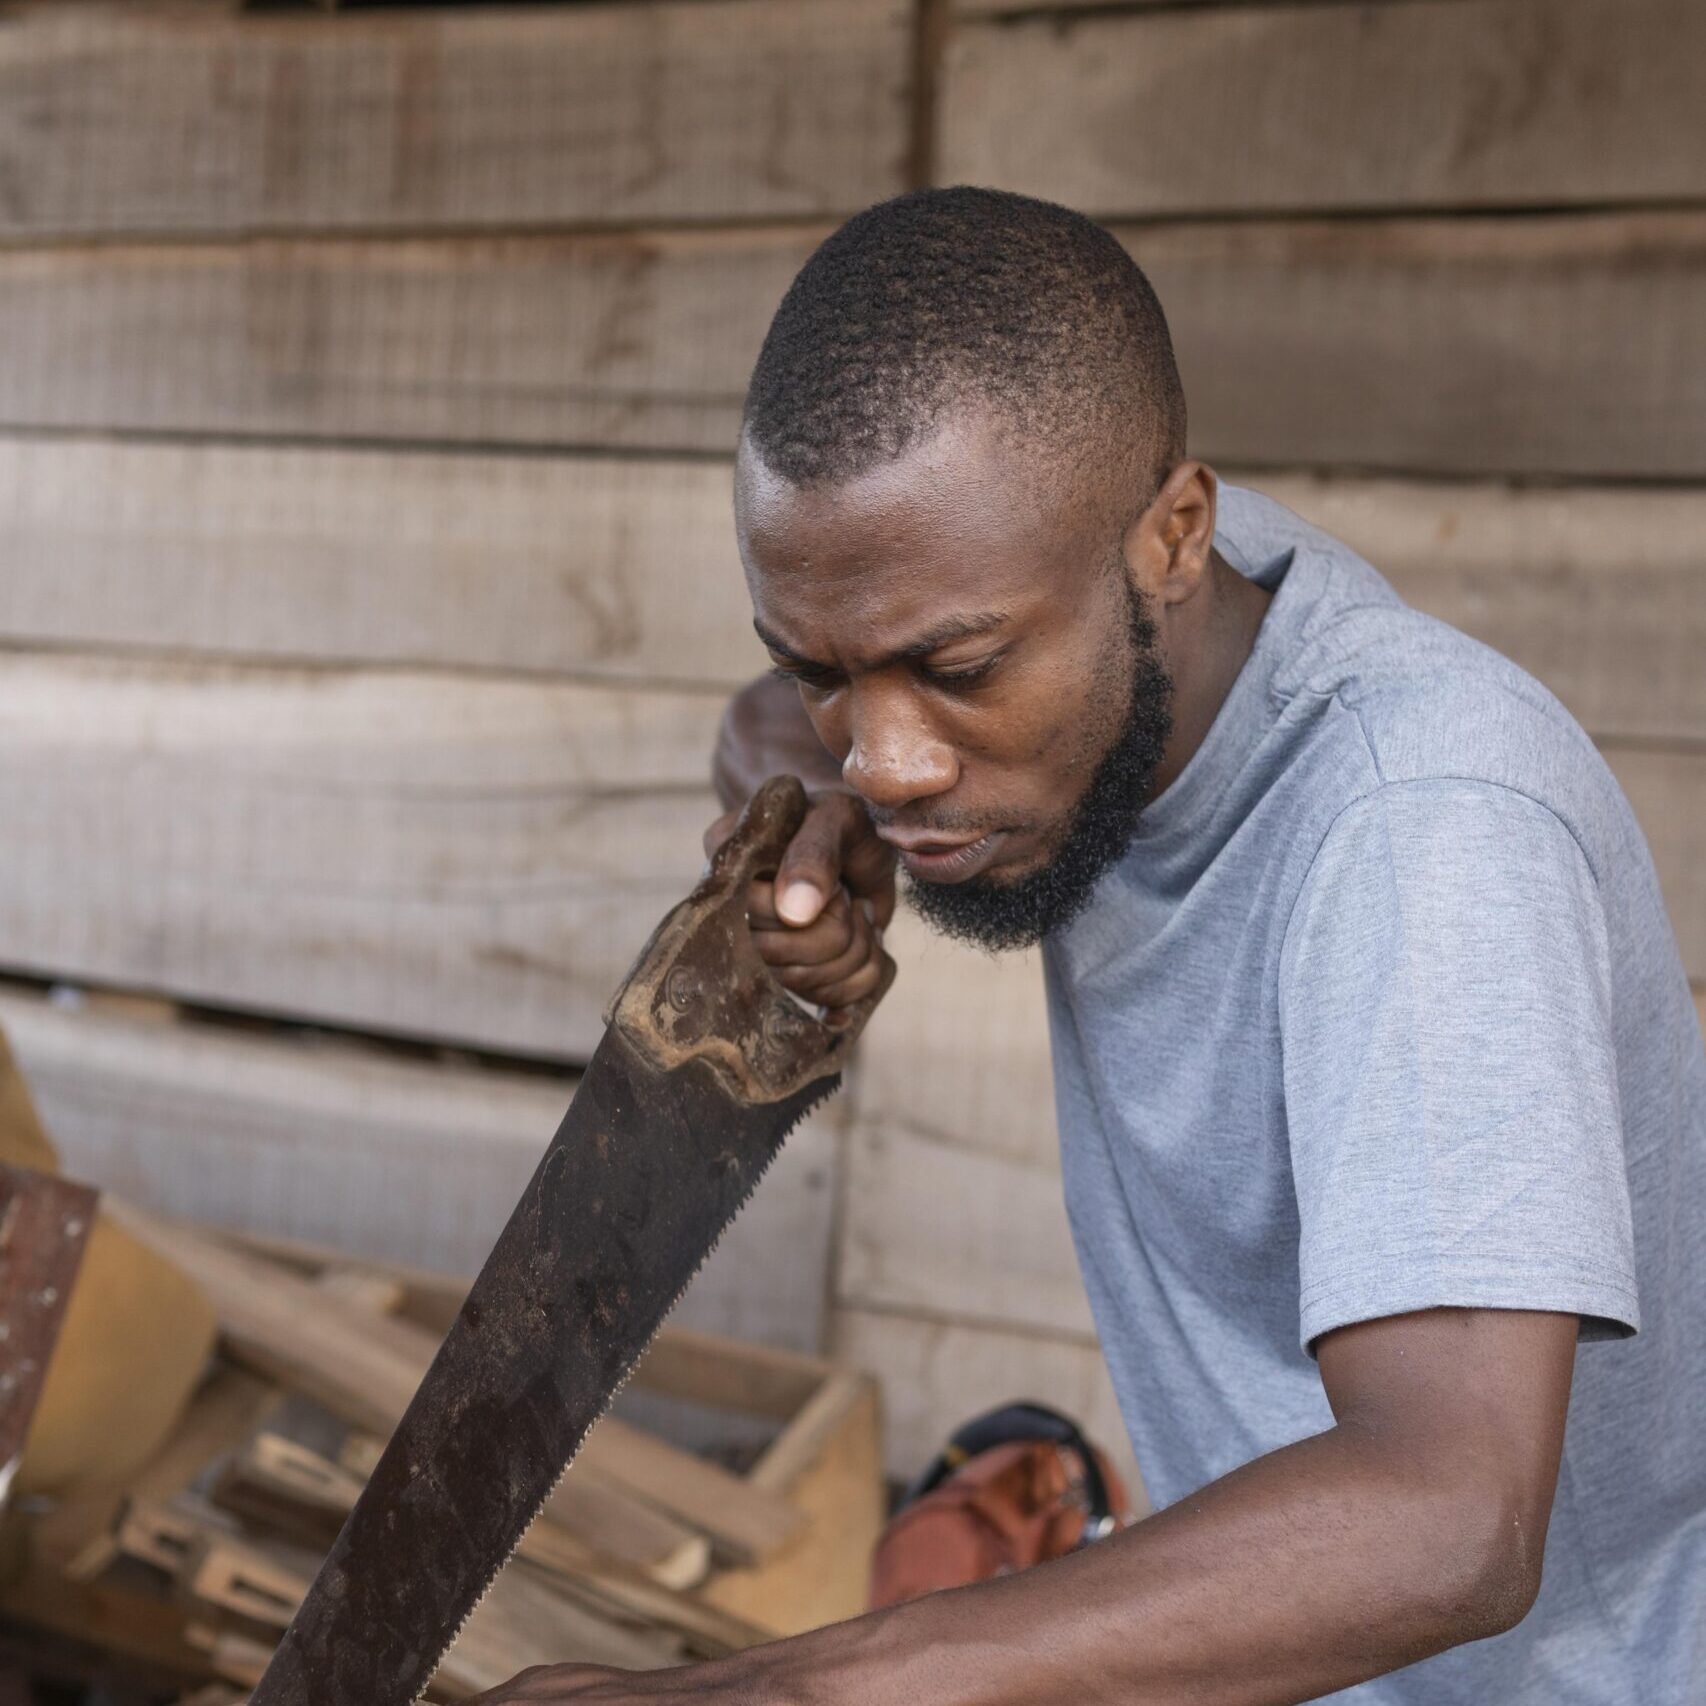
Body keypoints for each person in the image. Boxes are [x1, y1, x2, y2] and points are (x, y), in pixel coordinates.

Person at [473, 188, 1705, 1704]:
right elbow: (790, 716)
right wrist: (798, 826)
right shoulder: (1096, 579)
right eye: (823, 668)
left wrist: (787, 1690)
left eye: (958, 670)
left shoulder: (1421, 831)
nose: (894, 758)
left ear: (1171, 536)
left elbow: (1452, 1511)